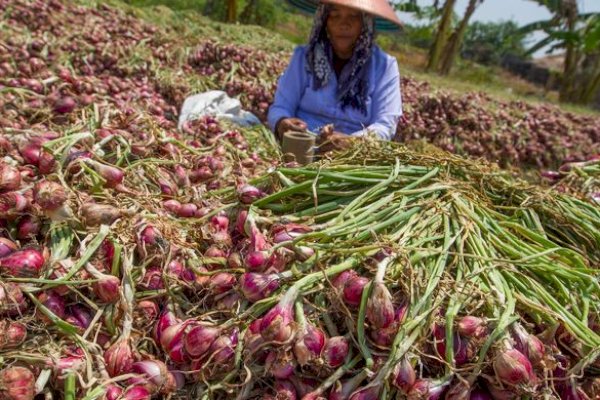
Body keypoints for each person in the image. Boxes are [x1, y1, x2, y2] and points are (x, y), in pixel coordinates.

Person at [268, 0, 403, 152]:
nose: (343, 24)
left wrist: (352, 142)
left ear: (365, 23)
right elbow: (281, 106)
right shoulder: (304, 57)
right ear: (324, 20)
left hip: (353, 157)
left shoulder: (384, 66)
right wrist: (282, 122)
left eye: (353, 16)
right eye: (334, 15)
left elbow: (385, 124)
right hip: (300, 148)